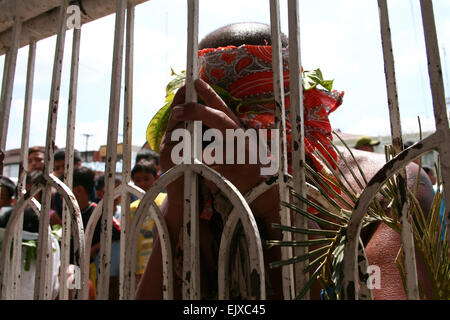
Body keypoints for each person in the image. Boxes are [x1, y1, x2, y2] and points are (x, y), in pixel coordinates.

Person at [135, 22, 435, 300]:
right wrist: (177, 206)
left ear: (296, 112)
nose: (229, 143)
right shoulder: (196, 192)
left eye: (251, 124)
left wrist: (272, 202)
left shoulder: (387, 185)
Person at [72, 167, 121, 299]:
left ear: (78, 190)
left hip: (89, 269)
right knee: (74, 294)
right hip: (72, 268)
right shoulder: (69, 213)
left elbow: (118, 231)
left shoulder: (97, 212)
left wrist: (94, 248)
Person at [130, 159, 166, 285]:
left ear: (156, 178)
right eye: (138, 180)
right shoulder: (132, 208)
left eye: (146, 178)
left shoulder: (164, 200)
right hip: (139, 267)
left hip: (161, 264)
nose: (142, 183)